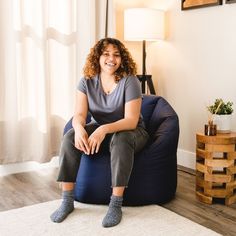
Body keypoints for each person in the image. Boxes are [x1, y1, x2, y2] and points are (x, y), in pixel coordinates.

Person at [50, 37, 149, 227]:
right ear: (98, 57)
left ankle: (115, 204)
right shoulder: (86, 81)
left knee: (121, 139)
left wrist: (103, 129)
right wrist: (78, 128)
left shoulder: (130, 81)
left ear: (122, 59)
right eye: (106, 54)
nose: (111, 59)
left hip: (132, 132)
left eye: (116, 55)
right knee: (70, 136)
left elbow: (131, 120)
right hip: (101, 131)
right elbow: (79, 114)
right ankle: (67, 201)